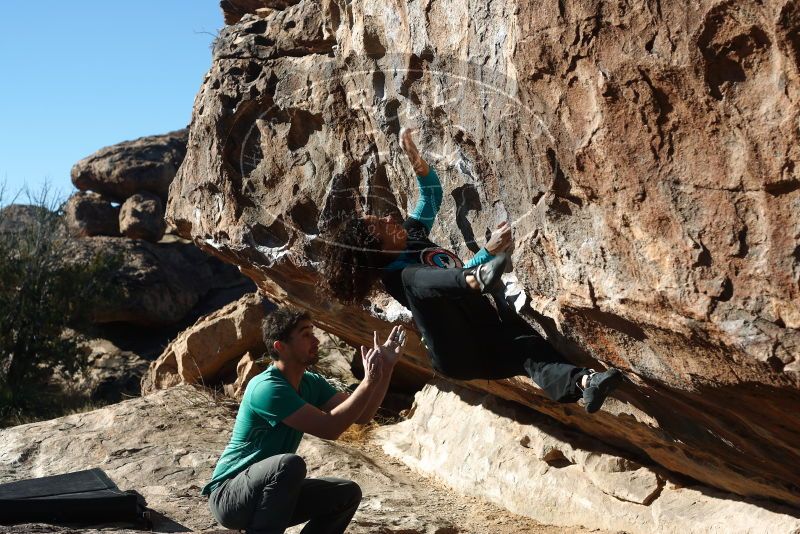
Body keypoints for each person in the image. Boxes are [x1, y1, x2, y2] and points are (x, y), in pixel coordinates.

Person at [321, 128, 621, 413]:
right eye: (380, 225)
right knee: (417, 281)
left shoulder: (411, 236)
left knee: (528, 349)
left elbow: (431, 197)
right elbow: (445, 283)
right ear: (377, 248)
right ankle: (477, 279)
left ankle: (586, 383)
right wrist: (487, 253)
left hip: (483, 334)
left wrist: (413, 156)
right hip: (456, 349)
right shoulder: (397, 276)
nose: (389, 218)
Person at [202, 306, 406, 534]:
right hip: (230, 497)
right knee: (288, 465)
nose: (316, 340)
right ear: (280, 346)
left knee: (346, 494)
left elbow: (362, 415)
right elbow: (330, 429)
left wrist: (385, 369)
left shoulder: (310, 383)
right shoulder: (267, 388)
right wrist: (368, 382)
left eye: (313, 332)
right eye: (306, 335)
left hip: (268, 494)